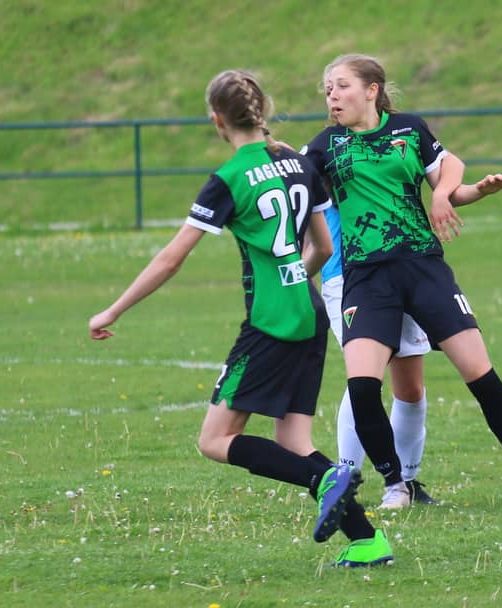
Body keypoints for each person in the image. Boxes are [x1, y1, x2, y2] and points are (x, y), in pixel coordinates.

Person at [88, 69, 393, 568]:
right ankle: (367, 540)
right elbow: (323, 247)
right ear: (262, 109)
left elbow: (171, 259)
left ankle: (325, 478)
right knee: (293, 442)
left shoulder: (228, 180)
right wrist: (294, 279)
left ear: (217, 120)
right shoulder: (298, 164)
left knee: (214, 440)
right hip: (309, 311)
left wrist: (113, 309)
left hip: (271, 322)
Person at [303, 53, 502, 510]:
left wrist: (462, 193)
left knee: (482, 378)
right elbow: (294, 186)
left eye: (342, 85)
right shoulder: (325, 145)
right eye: (328, 89)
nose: (332, 96)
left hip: (423, 269)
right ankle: (395, 486)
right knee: (363, 386)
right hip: (366, 278)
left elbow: (451, 169)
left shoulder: (409, 129)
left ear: (371, 89)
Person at [317, 172, 502, 508]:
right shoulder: (328, 151)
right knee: (364, 379)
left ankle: (406, 482)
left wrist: (450, 192)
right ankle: (345, 477)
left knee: (410, 387)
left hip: (402, 270)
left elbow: (444, 165)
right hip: (348, 276)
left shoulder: (397, 146)